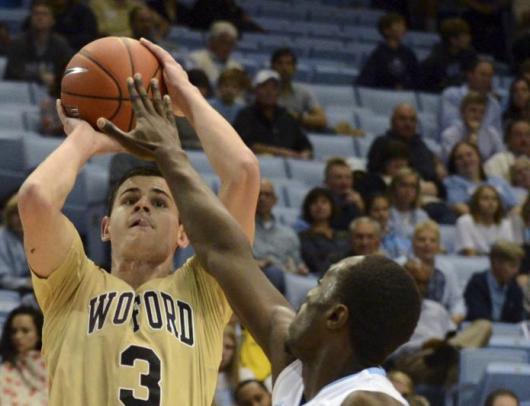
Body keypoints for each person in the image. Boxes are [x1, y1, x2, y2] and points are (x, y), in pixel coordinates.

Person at [95, 56, 420, 405]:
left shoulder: (367, 401)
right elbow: (223, 251)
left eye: (322, 286)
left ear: (336, 316)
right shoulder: (296, 365)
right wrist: (181, 118)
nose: (306, 296)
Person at [17, 38, 260, 405]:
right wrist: (85, 140)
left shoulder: (206, 289)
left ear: (184, 233)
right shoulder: (71, 283)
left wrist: (187, 98)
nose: (142, 205)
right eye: (129, 199)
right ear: (105, 227)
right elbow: (36, 199)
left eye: (160, 202)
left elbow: (243, 174)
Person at [392, 259, 491, 387]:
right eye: (415, 281)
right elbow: (389, 354)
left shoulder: (436, 309)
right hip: (413, 360)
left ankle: (448, 352)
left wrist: (444, 344)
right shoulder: (392, 311)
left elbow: (452, 333)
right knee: (451, 357)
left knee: (483, 325)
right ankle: (447, 353)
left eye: (423, 283)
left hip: (442, 356)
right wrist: (423, 346)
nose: (419, 287)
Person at [234, 69, 312, 159]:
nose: (269, 91)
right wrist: (281, 153)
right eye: (264, 87)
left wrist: (305, 154)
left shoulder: (286, 116)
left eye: (274, 87)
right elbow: (245, 145)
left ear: (279, 92)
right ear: (256, 90)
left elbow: (305, 146)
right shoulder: (245, 115)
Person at [0, 306, 47, 405]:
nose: (18, 336)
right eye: (14, 331)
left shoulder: (53, 363)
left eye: (25, 331)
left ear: (39, 334)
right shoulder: (0, 361)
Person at [4, 0, 73, 95]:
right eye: (36, 14)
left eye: (45, 14)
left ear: (52, 20)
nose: (40, 17)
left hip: (51, 95)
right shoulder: (18, 43)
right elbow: (12, 75)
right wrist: (40, 77)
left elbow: (68, 74)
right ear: (31, 19)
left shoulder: (61, 45)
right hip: (19, 94)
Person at [367, 103, 443, 188]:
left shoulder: (420, 144)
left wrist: (438, 164)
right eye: (402, 119)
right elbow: (373, 174)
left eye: (412, 120)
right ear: (392, 121)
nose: (408, 124)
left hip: (427, 190)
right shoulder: (382, 143)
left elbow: (432, 162)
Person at [408, 221, 466, 324]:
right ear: (413, 243)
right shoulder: (400, 265)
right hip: (410, 324)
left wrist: (453, 321)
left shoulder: (447, 268)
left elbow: (457, 301)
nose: (427, 244)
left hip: (440, 325)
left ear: (439, 245)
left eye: (433, 240)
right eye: (422, 239)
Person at [254, 178, 307, 278]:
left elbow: (297, 263)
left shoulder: (289, 234)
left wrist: (300, 268)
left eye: (267, 195)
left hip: (282, 278)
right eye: (258, 194)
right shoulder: (242, 230)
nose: (262, 198)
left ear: (275, 200)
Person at [445, 142, 518, 213]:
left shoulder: (498, 181)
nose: (466, 160)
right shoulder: (452, 182)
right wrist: (483, 221)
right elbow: (458, 206)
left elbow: (515, 206)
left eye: (469, 155)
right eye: (459, 158)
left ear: (478, 157)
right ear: (454, 163)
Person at [464, 240, 526, 323]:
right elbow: (477, 316)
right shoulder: (477, 283)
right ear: (496, 263)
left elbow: (518, 319)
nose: (516, 271)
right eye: (512, 266)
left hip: (508, 334)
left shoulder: (515, 288)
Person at [356, 12, 419, 90]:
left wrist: (405, 86)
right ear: (387, 31)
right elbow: (367, 80)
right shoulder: (379, 54)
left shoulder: (408, 53)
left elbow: (416, 77)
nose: (403, 28)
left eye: (403, 25)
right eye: (398, 25)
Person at [439, 57, 502, 134]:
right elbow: (449, 125)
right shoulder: (451, 95)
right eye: (483, 75)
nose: (487, 79)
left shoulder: (494, 104)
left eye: (490, 76)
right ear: (470, 75)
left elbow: (497, 133)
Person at [270, 48, 326, 132]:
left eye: (288, 64)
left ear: (294, 68)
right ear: (272, 67)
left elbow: (322, 120)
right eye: (280, 63)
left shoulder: (304, 92)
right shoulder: (263, 93)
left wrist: (296, 117)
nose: (284, 68)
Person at [0, 194, 31, 293]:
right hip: (1, 296)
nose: (21, 218)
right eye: (16, 213)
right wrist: (27, 283)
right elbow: (1, 281)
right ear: (8, 215)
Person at [298, 187, 349, 276]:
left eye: (324, 202)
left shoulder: (344, 235)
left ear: (332, 206)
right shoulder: (303, 237)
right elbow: (314, 262)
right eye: (314, 202)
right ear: (308, 208)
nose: (319, 206)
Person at [441, 91, 505, 161]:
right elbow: (450, 163)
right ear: (462, 112)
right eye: (473, 110)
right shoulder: (449, 135)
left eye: (481, 112)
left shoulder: (492, 133)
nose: (477, 116)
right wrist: (472, 135)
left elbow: (502, 159)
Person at [419, 17, 476, 93]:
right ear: (453, 40)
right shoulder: (435, 60)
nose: (469, 38)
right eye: (464, 36)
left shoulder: (469, 53)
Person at [455, 185, 515, 256]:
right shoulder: (464, 222)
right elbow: (469, 253)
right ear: (476, 202)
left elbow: (509, 253)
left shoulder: (505, 224)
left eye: (494, 199)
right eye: (485, 199)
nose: (491, 203)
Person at [187, 20, 242, 85]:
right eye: (223, 42)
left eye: (231, 43)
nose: (227, 47)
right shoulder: (195, 58)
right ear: (212, 41)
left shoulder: (236, 67)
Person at [214, 325, 253, 406]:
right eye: (218, 346)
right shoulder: (200, 377)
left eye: (228, 347)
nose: (222, 353)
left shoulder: (245, 375)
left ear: (235, 350)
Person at [387, 168, 429, 244]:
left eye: (413, 186)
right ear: (394, 188)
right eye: (404, 185)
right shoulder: (385, 214)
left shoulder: (422, 216)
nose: (408, 190)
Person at [323, 158, 364, 230]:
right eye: (339, 177)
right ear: (327, 181)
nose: (344, 182)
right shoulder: (320, 200)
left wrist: (360, 206)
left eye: (348, 178)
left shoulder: (356, 200)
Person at [367, 194, 409, 259]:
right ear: (369, 213)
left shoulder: (396, 231)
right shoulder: (365, 236)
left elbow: (406, 254)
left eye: (385, 209)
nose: (381, 214)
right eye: (376, 210)